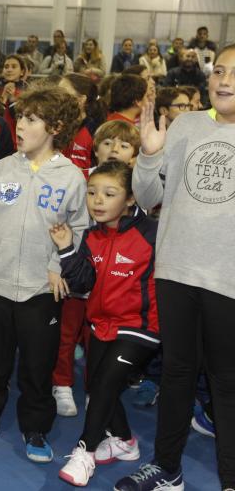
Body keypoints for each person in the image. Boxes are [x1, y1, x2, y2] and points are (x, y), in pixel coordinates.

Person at [114, 44, 235, 491]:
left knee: (227, 382)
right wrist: (148, 156)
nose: (223, 79)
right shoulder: (185, 125)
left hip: (228, 280)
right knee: (177, 372)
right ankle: (167, 468)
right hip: (176, 271)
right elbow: (146, 199)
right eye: (219, 70)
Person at [0, 86, 89, 465]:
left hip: (42, 292)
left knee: (37, 365)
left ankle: (35, 426)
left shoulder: (71, 177)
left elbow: (78, 230)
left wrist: (59, 268)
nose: (19, 126)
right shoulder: (4, 167)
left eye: (30, 119)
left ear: (55, 127)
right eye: (20, 118)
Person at [52, 160, 159, 487]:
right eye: (92, 192)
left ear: (130, 199)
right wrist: (67, 249)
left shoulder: (152, 233)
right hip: (100, 325)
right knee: (99, 386)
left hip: (140, 328)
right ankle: (125, 442)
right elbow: (82, 284)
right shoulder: (91, 237)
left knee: (105, 384)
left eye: (109, 193)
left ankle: (84, 451)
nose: (97, 200)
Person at [59, 72, 106, 177]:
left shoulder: (95, 130)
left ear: (81, 99)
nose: (57, 97)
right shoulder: (59, 124)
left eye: (63, 93)